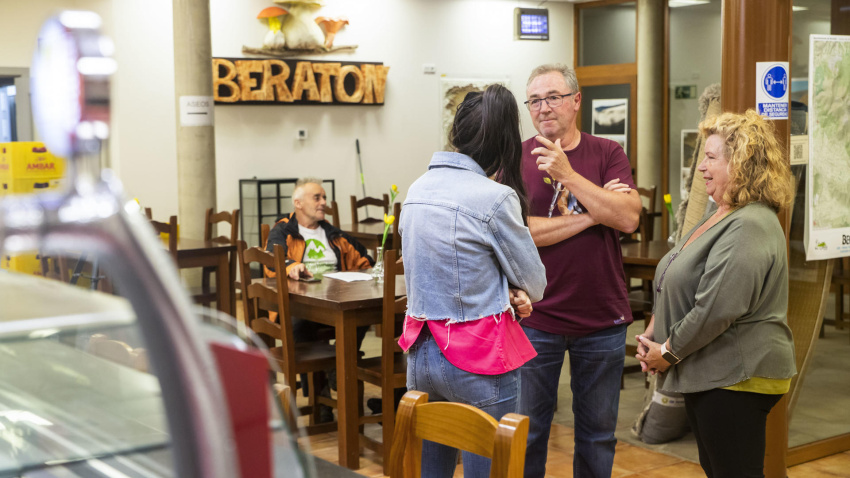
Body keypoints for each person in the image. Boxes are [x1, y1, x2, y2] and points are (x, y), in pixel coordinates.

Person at [635, 110, 796, 478]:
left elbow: (718, 308)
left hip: (736, 375)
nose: (701, 167)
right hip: (711, 372)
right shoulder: (721, 211)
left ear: (742, 164)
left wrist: (669, 351)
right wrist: (653, 336)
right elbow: (675, 277)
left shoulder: (750, 223)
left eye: (711, 158)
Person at [398, 85, 547, 478]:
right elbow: (535, 282)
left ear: (458, 133)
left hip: (421, 353)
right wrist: (514, 290)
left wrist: (502, 288)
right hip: (477, 356)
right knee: (490, 469)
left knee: (432, 469)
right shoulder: (494, 197)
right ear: (503, 143)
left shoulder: (416, 190)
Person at [518, 63, 642, 478]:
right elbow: (520, 233)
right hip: (535, 317)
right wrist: (594, 213)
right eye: (534, 99)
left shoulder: (608, 153)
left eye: (552, 97)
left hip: (602, 318)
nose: (543, 107)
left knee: (597, 436)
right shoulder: (514, 157)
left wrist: (568, 176)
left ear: (575, 101)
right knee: (528, 434)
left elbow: (627, 219)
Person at [264, 177, 374, 420]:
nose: (324, 202)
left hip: (336, 301)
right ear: (298, 203)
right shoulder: (284, 229)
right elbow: (273, 256)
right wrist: (291, 266)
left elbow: (362, 258)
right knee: (298, 324)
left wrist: (374, 270)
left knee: (363, 313)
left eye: (324, 197)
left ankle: (338, 366)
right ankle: (320, 395)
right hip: (300, 305)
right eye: (317, 197)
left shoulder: (332, 233)